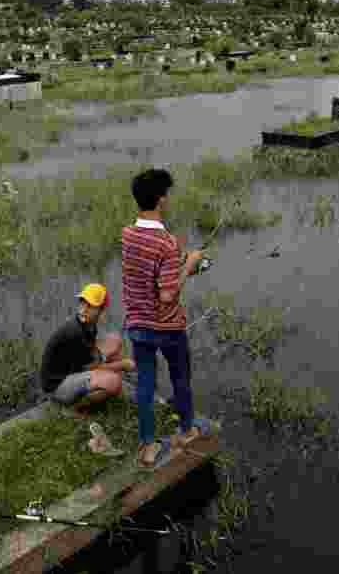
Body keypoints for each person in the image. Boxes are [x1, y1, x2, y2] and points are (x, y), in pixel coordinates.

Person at [122, 168, 212, 470]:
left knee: (146, 383)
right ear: (161, 200)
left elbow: (145, 271)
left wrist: (178, 261)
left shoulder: (128, 234)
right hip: (167, 327)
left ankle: (148, 446)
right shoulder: (167, 243)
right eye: (167, 195)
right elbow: (167, 294)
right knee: (180, 377)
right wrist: (190, 264)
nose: (169, 199)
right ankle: (187, 430)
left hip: (137, 325)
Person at [40, 283, 135, 415]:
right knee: (114, 382)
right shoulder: (75, 331)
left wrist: (112, 361)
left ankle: (108, 383)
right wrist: (122, 365)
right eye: (83, 303)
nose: (84, 309)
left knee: (115, 339)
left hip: (73, 370)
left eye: (90, 306)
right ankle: (75, 408)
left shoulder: (88, 324)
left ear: (101, 310)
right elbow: (90, 367)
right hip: (57, 386)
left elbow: (91, 353)